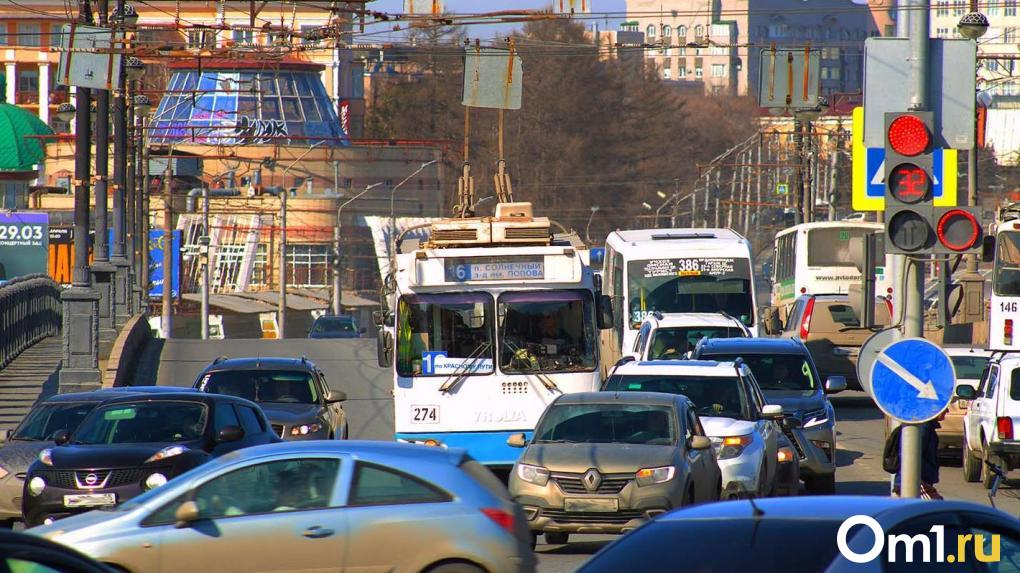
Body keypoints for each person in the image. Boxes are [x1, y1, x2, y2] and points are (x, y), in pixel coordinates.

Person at [885, 416, 943, 500]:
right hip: (914, 482)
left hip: (916, 481)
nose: (947, 411)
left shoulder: (926, 426)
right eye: (945, 409)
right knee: (936, 507)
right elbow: (911, 453)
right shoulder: (921, 427)